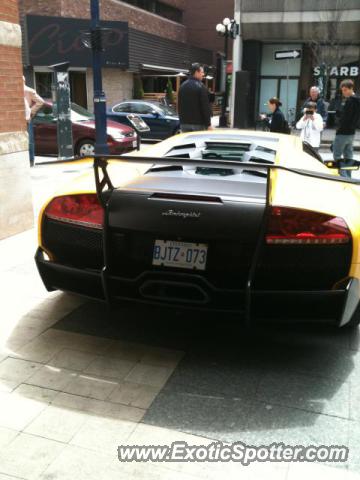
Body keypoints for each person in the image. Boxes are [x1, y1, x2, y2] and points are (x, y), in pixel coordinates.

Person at [332, 79, 360, 178]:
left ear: (351, 88)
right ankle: (349, 177)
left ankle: (344, 177)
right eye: (342, 90)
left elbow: (345, 119)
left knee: (337, 156)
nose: (343, 92)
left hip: (343, 132)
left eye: (345, 90)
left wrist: (339, 116)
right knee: (349, 156)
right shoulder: (357, 100)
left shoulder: (350, 101)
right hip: (351, 133)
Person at [178, 63, 213, 132]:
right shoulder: (201, 86)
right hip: (198, 124)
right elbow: (205, 107)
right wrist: (208, 124)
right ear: (197, 72)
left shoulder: (182, 86)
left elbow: (179, 105)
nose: (203, 74)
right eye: (202, 72)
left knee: (187, 143)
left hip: (184, 123)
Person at [23, 76, 44, 166]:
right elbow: (40, 102)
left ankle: (31, 160)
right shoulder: (29, 90)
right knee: (30, 140)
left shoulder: (28, 90)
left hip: (26, 118)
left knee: (30, 140)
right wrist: (31, 111)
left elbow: (41, 101)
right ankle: (31, 161)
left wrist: (31, 111)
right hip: (27, 118)